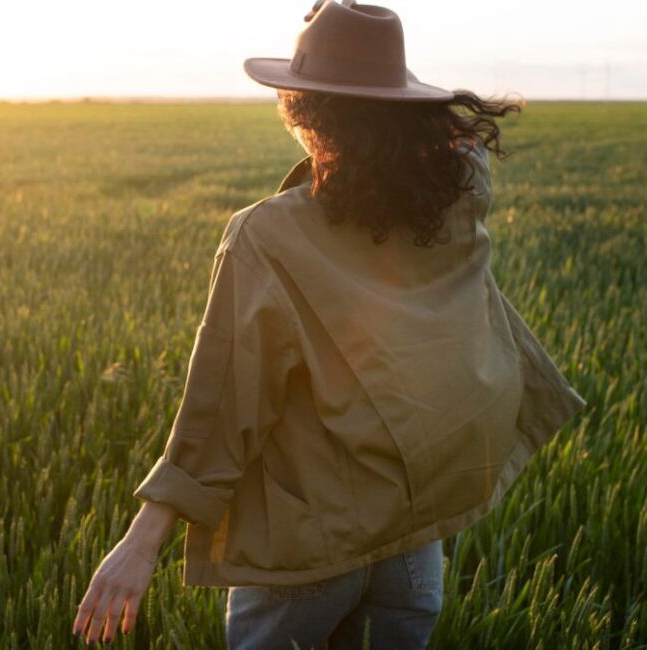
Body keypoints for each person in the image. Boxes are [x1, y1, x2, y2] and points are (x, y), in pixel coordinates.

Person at [72, 1, 586, 648]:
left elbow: (222, 406)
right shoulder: (453, 202)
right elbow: (465, 159)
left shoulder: (266, 237)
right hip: (414, 542)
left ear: (300, 111)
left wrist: (140, 543)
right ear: (400, 106)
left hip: (305, 549)